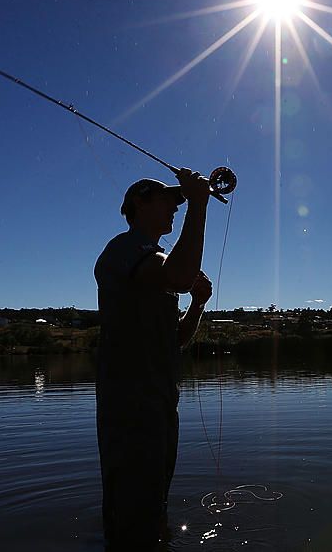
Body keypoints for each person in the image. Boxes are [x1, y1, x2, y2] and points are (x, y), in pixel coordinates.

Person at [94, 168, 214, 550]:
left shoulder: (156, 262)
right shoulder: (124, 249)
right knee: (133, 510)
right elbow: (179, 274)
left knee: (154, 505)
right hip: (130, 403)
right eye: (169, 201)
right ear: (139, 204)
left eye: (180, 203)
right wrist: (198, 204)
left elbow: (176, 339)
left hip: (160, 403)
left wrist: (196, 304)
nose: (174, 209)